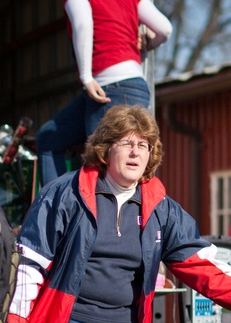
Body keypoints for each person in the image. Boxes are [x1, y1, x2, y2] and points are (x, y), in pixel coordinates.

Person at [0, 104, 231, 323]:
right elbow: (29, 263)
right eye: (126, 143)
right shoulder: (65, 193)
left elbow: (209, 272)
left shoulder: (162, 209)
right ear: (105, 150)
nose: (136, 152)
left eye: (143, 145)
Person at [36, 0, 172, 186]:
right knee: (49, 137)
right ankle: (57, 206)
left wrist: (85, 76)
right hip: (135, 86)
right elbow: (165, 29)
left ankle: (65, 212)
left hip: (108, 88)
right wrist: (149, 41)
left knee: (102, 168)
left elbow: (82, 24)